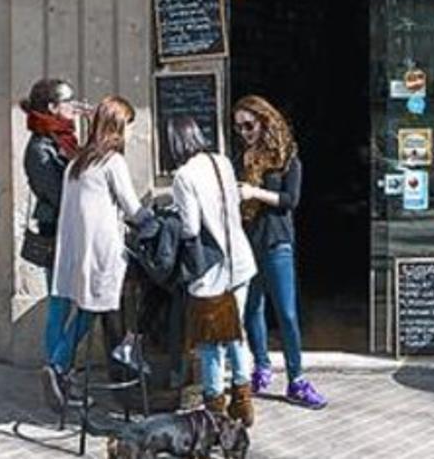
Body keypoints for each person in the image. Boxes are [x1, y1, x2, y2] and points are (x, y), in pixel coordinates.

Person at [42, 95, 146, 411]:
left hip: (73, 253)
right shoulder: (112, 162)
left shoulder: (78, 162)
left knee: (80, 309)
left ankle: (59, 370)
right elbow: (132, 208)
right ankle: (60, 368)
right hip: (102, 255)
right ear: (116, 126)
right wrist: (157, 220)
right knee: (95, 310)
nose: (129, 133)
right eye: (128, 126)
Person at [233, 95, 327, 409]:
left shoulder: (287, 156)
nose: (244, 132)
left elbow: (291, 199)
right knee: (252, 308)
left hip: (277, 241)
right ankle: (261, 366)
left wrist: (255, 192)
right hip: (248, 241)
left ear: (264, 121)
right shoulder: (242, 157)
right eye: (239, 127)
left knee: (286, 312)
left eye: (249, 125)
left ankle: (297, 378)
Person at [168, 116, 258, 426]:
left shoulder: (183, 176)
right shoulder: (221, 161)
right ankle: (243, 403)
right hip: (240, 259)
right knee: (236, 334)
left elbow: (191, 227)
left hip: (211, 271)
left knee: (210, 343)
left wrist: (172, 217)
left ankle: (214, 410)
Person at [20, 78, 81, 284]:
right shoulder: (40, 149)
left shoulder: (63, 138)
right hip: (56, 227)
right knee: (61, 294)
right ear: (53, 107)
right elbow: (56, 194)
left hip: (72, 224)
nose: (75, 106)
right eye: (69, 100)